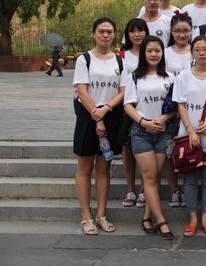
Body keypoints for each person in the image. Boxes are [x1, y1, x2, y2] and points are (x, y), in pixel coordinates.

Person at [73, 17, 126, 235]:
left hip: (110, 115)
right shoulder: (84, 59)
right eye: (101, 31)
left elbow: (122, 91)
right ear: (93, 33)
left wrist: (106, 110)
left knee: (104, 168)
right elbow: (82, 91)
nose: (106, 35)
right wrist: (98, 116)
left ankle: (101, 215)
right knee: (85, 168)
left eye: (109, 32)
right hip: (88, 116)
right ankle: (86, 216)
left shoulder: (119, 61)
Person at [123, 36, 177, 239]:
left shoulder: (170, 78)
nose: (154, 54)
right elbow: (128, 105)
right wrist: (144, 122)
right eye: (149, 51)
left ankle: (146, 218)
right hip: (141, 132)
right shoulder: (134, 77)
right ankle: (161, 220)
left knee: (154, 177)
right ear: (143, 53)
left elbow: (175, 106)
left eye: (157, 51)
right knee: (150, 177)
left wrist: (164, 118)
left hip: (163, 132)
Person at [174, 35, 206, 237]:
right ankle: (192, 219)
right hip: (189, 138)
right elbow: (181, 105)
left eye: (205, 49)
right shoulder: (183, 77)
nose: (201, 53)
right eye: (197, 49)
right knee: (189, 180)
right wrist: (190, 131)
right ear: (192, 52)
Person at [119, 18, 150, 208]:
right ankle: (131, 189)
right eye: (132, 31)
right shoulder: (122, 55)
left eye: (140, 30)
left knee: (147, 150)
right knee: (128, 150)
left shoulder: (152, 52)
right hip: (128, 108)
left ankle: (144, 191)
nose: (137, 34)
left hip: (148, 108)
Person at [164, 13, 193, 208]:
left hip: (193, 110)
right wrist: (171, 113)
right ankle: (174, 190)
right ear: (172, 32)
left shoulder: (197, 50)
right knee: (170, 151)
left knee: (188, 151)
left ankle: (186, 189)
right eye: (177, 31)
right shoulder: (165, 53)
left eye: (186, 31)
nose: (182, 35)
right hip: (171, 110)